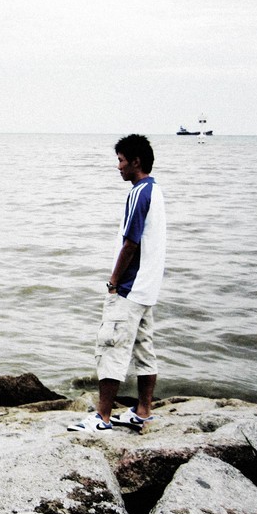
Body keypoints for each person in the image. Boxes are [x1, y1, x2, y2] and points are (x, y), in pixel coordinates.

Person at [69, 134, 166, 433]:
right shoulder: (156, 190)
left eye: (121, 160)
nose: (118, 166)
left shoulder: (138, 192)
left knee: (111, 346)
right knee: (143, 348)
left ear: (136, 161)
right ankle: (142, 411)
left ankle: (103, 417)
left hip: (129, 288)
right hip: (148, 287)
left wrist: (113, 280)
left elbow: (130, 243)